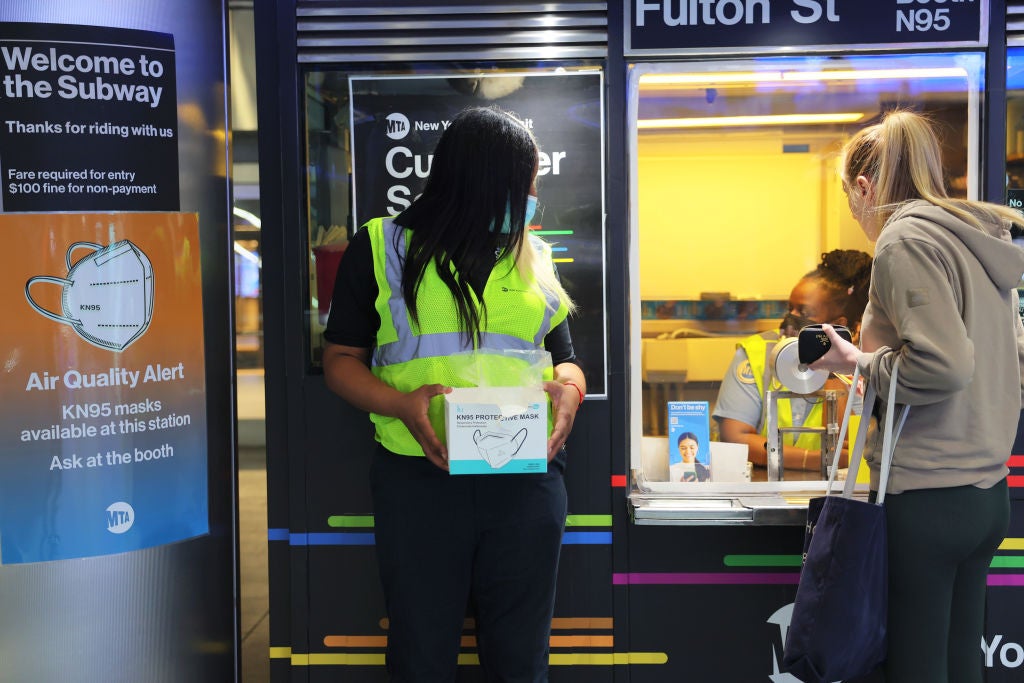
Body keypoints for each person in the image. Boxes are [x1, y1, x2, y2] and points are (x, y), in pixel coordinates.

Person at [321, 106, 586, 682]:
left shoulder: (533, 255)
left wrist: (570, 391)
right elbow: (340, 360)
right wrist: (398, 404)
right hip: (419, 481)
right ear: (487, 180)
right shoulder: (382, 248)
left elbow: (566, 359)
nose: (534, 195)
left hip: (524, 479)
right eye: (527, 183)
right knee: (421, 655)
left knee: (521, 660)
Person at [811, 109, 1024, 683]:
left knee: (916, 668)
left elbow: (944, 365)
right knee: (959, 663)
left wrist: (857, 361)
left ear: (864, 187)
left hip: (925, 496)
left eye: (852, 202)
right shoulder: (976, 240)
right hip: (985, 495)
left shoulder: (903, 240)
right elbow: (1013, 361)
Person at [712, 249, 873, 471]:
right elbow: (736, 439)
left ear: (838, 323)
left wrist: (833, 369)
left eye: (804, 311)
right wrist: (813, 459)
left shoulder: (861, 365)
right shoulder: (755, 354)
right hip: (762, 487)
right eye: (790, 308)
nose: (790, 319)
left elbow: (849, 449)